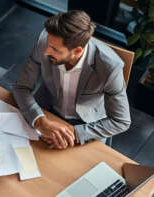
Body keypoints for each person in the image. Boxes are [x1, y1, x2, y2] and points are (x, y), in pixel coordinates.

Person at [13, 10, 131, 150]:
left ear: (77, 51)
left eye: (55, 49)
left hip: (85, 126)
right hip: (46, 110)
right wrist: (41, 122)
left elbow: (121, 121)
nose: (46, 52)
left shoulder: (110, 67)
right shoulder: (45, 42)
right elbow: (21, 87)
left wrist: (73, 134)